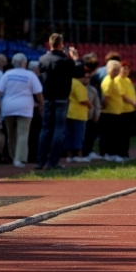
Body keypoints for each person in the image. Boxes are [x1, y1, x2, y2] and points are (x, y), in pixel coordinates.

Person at [36, 34, 85, 170]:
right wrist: (75, 58)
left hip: (47, 98)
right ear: (61, 44)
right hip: (61, 97)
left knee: (45, 129)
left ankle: (40, 161)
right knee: (58, 130)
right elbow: (79, 72)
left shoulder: (42, 59)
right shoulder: (65, 61)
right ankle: (52, 162)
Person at [0, 53, 43, 168]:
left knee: (11, 134)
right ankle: (19, 159)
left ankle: (13, 156)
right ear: (24, 63)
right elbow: (38, 93)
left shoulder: (7, 74)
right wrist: (41, 104)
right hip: (25, 107)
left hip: (8, 107)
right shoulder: (30, 75)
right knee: (23, 134)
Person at [99, 60, 125, 162]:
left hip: (115, 112)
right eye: (114, 70)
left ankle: (111, 153)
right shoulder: (108, 81)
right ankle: (109, 153)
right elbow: (105, 98)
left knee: (114, 135)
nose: (116, 72)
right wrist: (104, 107)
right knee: (110, 135)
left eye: (118, 70)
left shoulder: (113, 80)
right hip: (109, 113)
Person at [66, 70, 91, 163]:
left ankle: (69, 155)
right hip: (78, 114)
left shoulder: (69, 82)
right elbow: (82, 99)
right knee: (78, 135)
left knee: (69, 135)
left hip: (69, 112)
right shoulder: (79, 85)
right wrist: (90, 105)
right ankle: (79, 155)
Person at [116, 61, 136, 159]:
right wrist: (133, 102)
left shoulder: (128, 80)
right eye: (124, 68)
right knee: (122, 134)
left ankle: (125, 153)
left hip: (130, 110)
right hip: (123, 110)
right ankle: (121, 153)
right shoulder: (118, 80)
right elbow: (122, 94)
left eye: (127, 68)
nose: (126, 70)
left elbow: (133, 93)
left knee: (127, 134)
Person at [82, 53, 102, 159]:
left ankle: (89, 151)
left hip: (92, 110)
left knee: (91, 133)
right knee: (84, 134)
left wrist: (97, 112)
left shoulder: (93, 82)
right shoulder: (82, 75)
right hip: (83, 112)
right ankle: (83, 152)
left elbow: (96, 101)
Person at [26, 61, 43, 163]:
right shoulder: (32, 79)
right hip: (32, 109)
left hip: (33, 109)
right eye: (37, 69)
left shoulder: (37, 78)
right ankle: (31, 156)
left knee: (35, 134)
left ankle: (34, 155)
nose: (39, 71)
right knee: (32, 134)